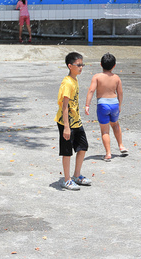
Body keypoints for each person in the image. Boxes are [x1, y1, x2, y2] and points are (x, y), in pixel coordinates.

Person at [55, 52, 91, 191]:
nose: (81, 67)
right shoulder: (67, 83)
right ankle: (67, 179)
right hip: (66, 122)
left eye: (82, 64)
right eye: (78, 65)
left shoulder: (75, 80)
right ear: (70, 66)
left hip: (76, 121)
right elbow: (64, 106)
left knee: (83, 146)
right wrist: (66, 127)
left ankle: (76, 175)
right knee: (67, 151)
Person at [85, 53, 127, 161]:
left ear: (100, 64)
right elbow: (120, 93)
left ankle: (108, 153)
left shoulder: (97, 77)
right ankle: (121, 145)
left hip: (102, 105)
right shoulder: (116, 78)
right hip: (114, 104)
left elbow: (91, 90)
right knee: (116, 125)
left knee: (105, 131)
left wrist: (87, 105)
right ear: (114, 66)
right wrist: (120, 105)